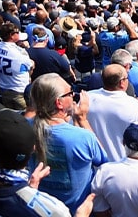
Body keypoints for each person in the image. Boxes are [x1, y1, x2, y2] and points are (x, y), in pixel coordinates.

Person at [31, 72, 107, 212]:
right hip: (76, 211)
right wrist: (82, 119)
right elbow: (103, 160)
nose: (73, 96)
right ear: (59, 103)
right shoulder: (82, 136)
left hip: (41, 207)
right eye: (70, 93)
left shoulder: (25, 127)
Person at [90, 63, 138, 163]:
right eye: (127, 78)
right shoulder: (133, 105)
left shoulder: (88, 98)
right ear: (122, 82)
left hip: (94, 164)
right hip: (122, 164)